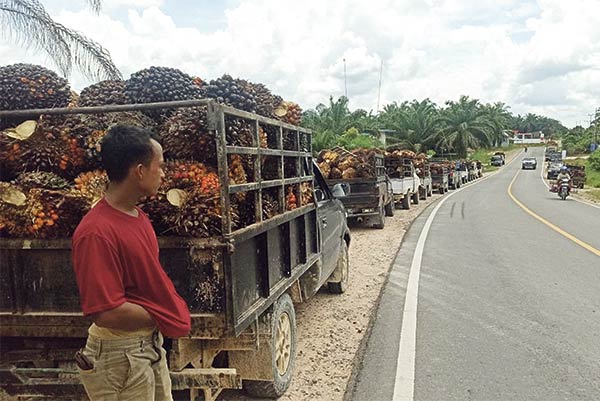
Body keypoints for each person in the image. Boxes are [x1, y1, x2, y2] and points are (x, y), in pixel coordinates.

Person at [72, 124, 191, 401]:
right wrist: (164, 313)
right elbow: (105, 311)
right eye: (159, 166)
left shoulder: (139, 218)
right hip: (118, 356)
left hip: (147, 345)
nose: (163, 174)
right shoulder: (95, 233)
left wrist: (161, 315)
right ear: (139, 170)